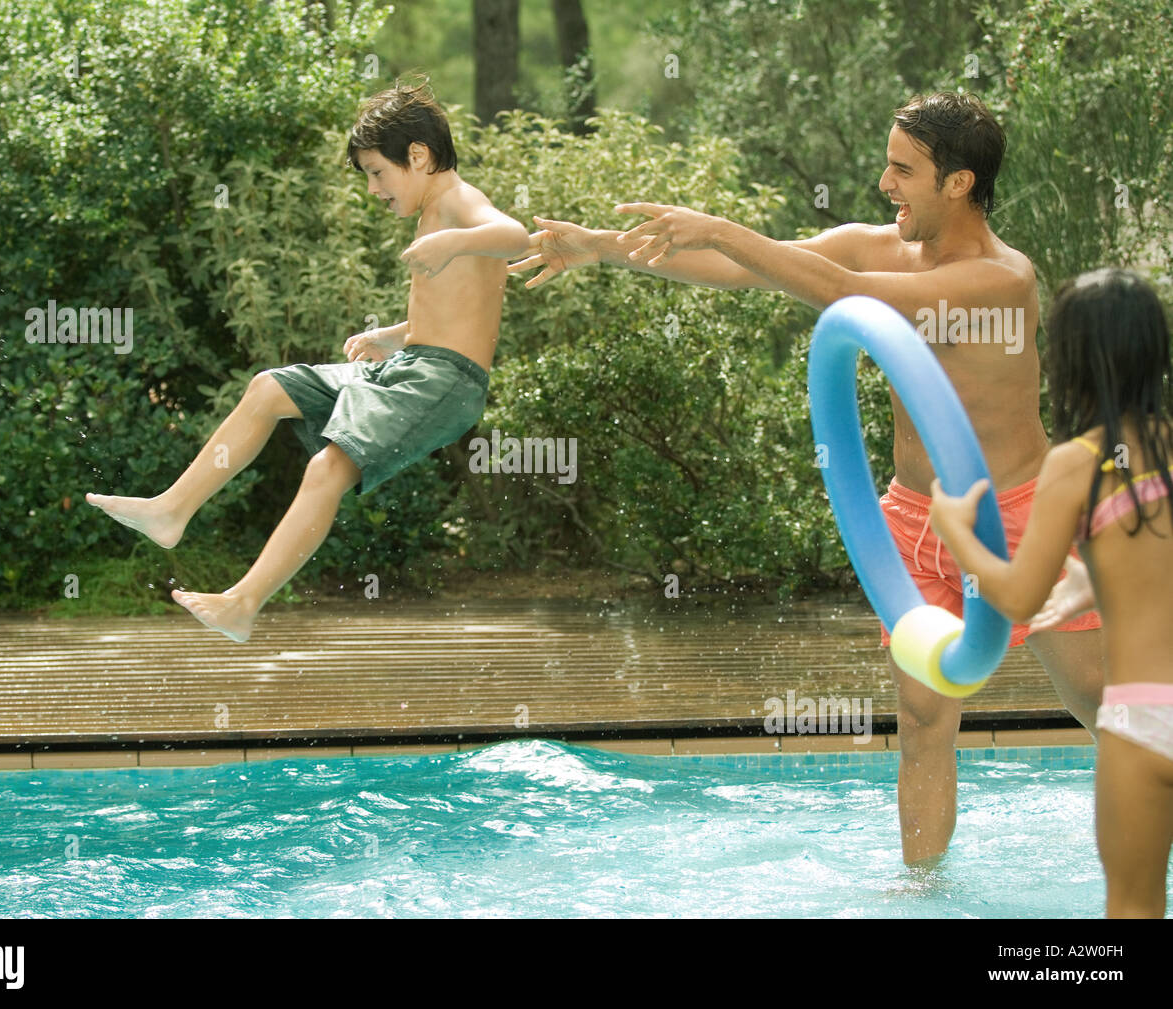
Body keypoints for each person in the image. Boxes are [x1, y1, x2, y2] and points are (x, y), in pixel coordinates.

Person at [508, 91, 1106, 864]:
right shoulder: (880, 243)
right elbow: (742, 267)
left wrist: (722, 222)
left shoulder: (999, 281)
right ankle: (923, 900)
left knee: (1104, 705)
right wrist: (602, 247)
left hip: (1017, 519)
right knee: (923, 722)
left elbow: (842, 297)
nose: (885, 184)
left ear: (958, 182)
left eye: (903, 170)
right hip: (912, 523)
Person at [86, 79, 528, 641]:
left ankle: (243, 603)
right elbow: (455, 312)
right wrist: (395, 335)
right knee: (269, 388)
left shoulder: (460, 203)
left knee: (327, 467)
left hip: (444, 382)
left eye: (377, 172)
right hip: (410, 366)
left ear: (417, 156)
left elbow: (514, 237)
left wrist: (453, 243)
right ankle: (171, 510)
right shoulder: (435, 210)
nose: (373, 189)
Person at [929, 268, 1173, 917]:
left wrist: (956, 531)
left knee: (1133, 909)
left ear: (1069, 360)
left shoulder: (1074, 461)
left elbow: (1014, 596)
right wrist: (1098, 581)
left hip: (1143, 719)